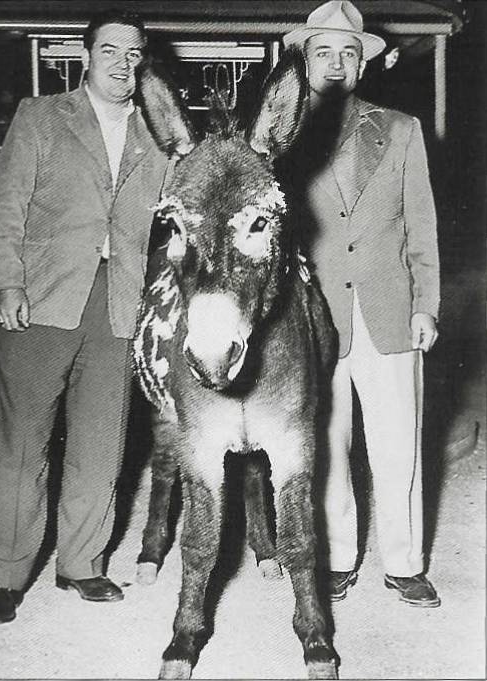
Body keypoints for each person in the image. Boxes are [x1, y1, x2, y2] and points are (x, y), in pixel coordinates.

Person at [0, 10, 176, 624]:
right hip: (43, 298)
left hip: (119, 306)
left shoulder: (159, 137)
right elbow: (7, 207)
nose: (123, 63)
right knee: (21, 444)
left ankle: (82, 565)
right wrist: (6, 283)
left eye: (134, 53)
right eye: (110, 50)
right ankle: (5, 578)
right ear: (86, 55)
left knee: (100, 443)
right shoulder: (41, 116)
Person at [280, 0, 441, 607]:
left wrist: (426, 302)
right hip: (313, 318)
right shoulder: (282, 134)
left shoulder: (400, 130)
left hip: (389, 311)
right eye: (325, 51)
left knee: (399, 444)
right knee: (325, 447)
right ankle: (339, 558)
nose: (338, 62)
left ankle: (404, 563)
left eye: (349, 53)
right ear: (305, 59)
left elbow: (421, 227)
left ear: (362, 65)